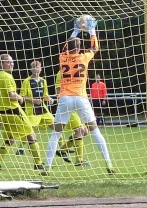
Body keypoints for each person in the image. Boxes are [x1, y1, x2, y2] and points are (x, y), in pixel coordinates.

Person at [45, 16, 115, 174]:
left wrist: (76, 30)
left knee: (56, 133)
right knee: (95, 130)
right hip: (81, 97)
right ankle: (109, 164)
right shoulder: (84, 56)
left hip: (65, 98)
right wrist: (92, 30)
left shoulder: (62, 57)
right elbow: (95, 47)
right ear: (79, 47)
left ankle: (47, 167)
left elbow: (66, 46)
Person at [0, 54, 46, 173]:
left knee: (10, 138)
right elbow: (11, 95)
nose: (11, 64)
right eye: (8, 62)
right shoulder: (7, 77)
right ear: (2, 64)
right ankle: (39, 164)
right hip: (14, 111)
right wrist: (20, 98)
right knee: (31, 134)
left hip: (3, 113)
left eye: (12, 62)